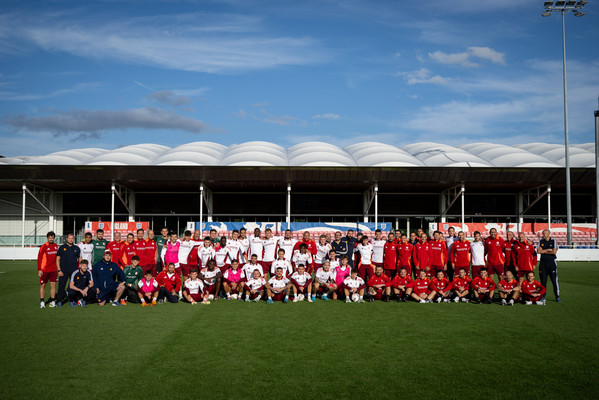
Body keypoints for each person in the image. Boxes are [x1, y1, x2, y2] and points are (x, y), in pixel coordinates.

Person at [56, 233, 81, 307]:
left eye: (72, 238)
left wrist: (81, 268)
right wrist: (59, 270)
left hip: (73, 271)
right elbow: (57, 259)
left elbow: (79, 259)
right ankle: (59, 301)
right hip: (63, 271)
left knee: (72, 286)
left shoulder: (76, 248)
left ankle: (71, 300)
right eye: (69, 238)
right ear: (67, 239)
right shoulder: (62, 247)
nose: (71, 240)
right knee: (61, 286)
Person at [537, 229, 560, 302]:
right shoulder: (541, 241)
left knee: (554, 280)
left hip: (551, 263)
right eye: (542, 233)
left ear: (548, 234)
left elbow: (554, 252)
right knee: (543, 281)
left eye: (544, 233)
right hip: (543, 263)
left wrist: (543, 251)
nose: (542, 235)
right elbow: (538, 251)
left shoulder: (553, 240)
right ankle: (543, 296)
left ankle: (557, 296)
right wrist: (548, 250)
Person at [37, 231, 59, 308]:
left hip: (53, 269)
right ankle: (42, 302)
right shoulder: (43, 246)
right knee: (43, 285)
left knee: (53, 285)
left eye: (52, 237)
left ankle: (52, 302)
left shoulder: (56, 246)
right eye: (50, 237)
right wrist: (39, 269)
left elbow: (58, 258)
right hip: (44, 270)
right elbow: (39, 259)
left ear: (54, 238)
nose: (51, 239)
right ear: (47, 238)